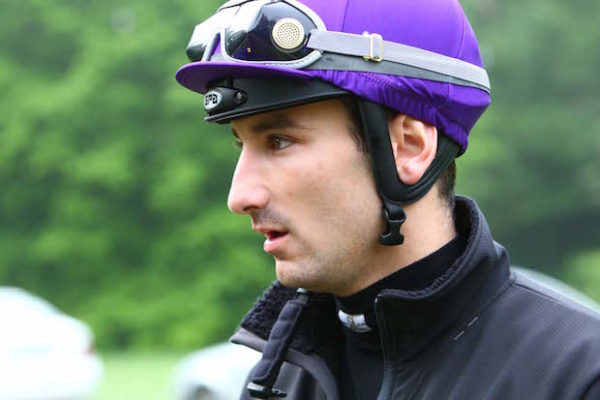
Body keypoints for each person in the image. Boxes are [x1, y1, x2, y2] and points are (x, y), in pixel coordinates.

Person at [175, 0, 600, 398]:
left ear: (409, 148)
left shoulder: (576, 375)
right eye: (240, 146)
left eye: (279, 141)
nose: (239, 196)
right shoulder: (282, 376)